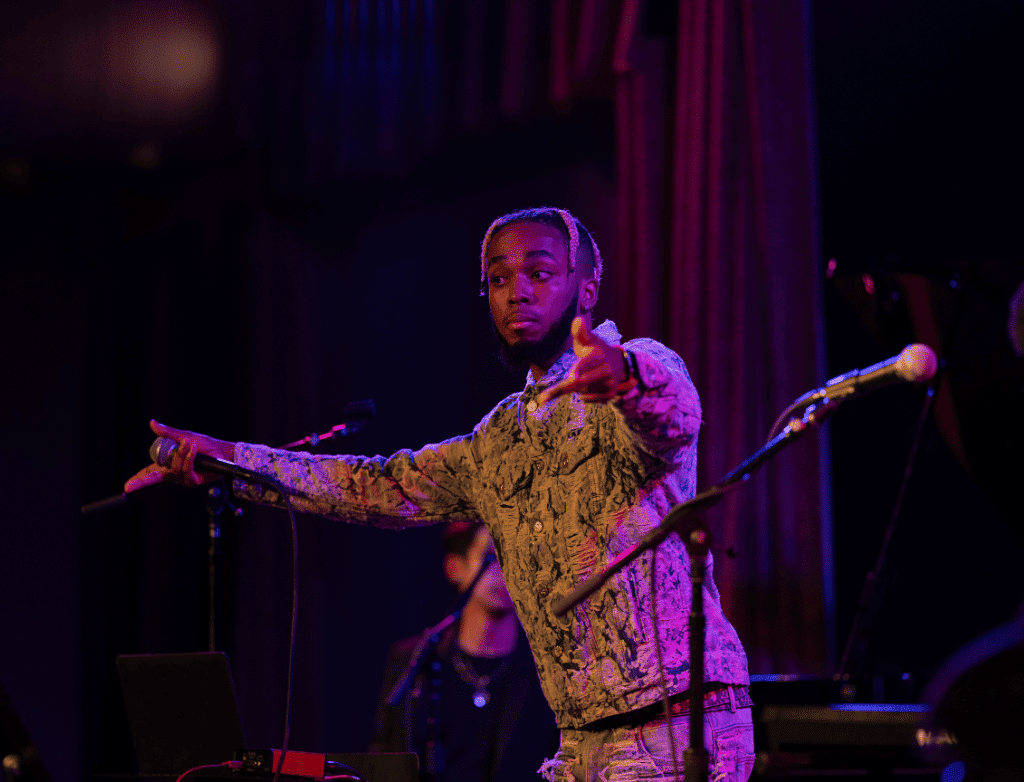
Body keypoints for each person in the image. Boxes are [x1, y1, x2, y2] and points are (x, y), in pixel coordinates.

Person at [125, 207, 754, 781]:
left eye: (541, 272)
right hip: (581, 745)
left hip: (675, 728)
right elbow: (375, 486)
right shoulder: (500, 439)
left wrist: (620, 376)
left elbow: (673, 413)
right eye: (499, 279)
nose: (518, 292)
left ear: (586, 288)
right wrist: (226, 462)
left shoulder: (638, 361)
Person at [369, 521, 559, 781]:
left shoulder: (549, 668)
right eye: (493, 556)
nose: (504, 571)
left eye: (516, 557)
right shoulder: (413, 658)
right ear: (455, 568)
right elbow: (385, 756)